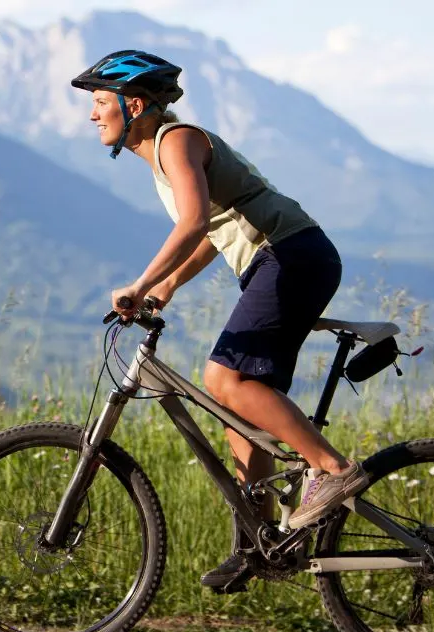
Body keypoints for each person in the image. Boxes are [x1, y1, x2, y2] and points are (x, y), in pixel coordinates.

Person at [71, 50, 367, 588]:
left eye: (98, 102)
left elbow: (190, 224)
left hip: (289, 255)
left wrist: (138, 284)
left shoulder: (175, 141)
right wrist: (165, 288)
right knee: (241, 418)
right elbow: (212, 231)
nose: (93, 115)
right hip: (283, 259)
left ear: (132, 103)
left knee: (222, 378)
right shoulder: (165, 153)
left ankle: (332, 471)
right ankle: (260, 545)